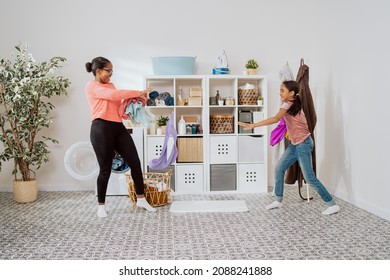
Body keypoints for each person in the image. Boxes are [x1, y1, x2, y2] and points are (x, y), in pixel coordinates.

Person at [238, 80, 340, 215]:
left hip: (303, 144)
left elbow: (275, 119)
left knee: (309, 178)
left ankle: (332, 205)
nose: (279, 93)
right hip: (295, 144)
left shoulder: (288, 104)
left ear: (291, 93)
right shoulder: (293, 105)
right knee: (279, 168)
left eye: (282, 90)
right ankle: (278, 200)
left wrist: (253, 125)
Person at [85, 56, 155, 217]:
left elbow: (118, 106)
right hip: (101, 128)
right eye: (108, 71)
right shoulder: (91, 86)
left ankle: (141, 199)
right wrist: (139, 91)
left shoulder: (111, 85)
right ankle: (101, 206)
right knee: (105, 170)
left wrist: (135, 101)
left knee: (135, 163)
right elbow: (113, 96)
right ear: (98, 71)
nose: (111, 74)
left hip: (117, 127)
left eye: (112, 71)